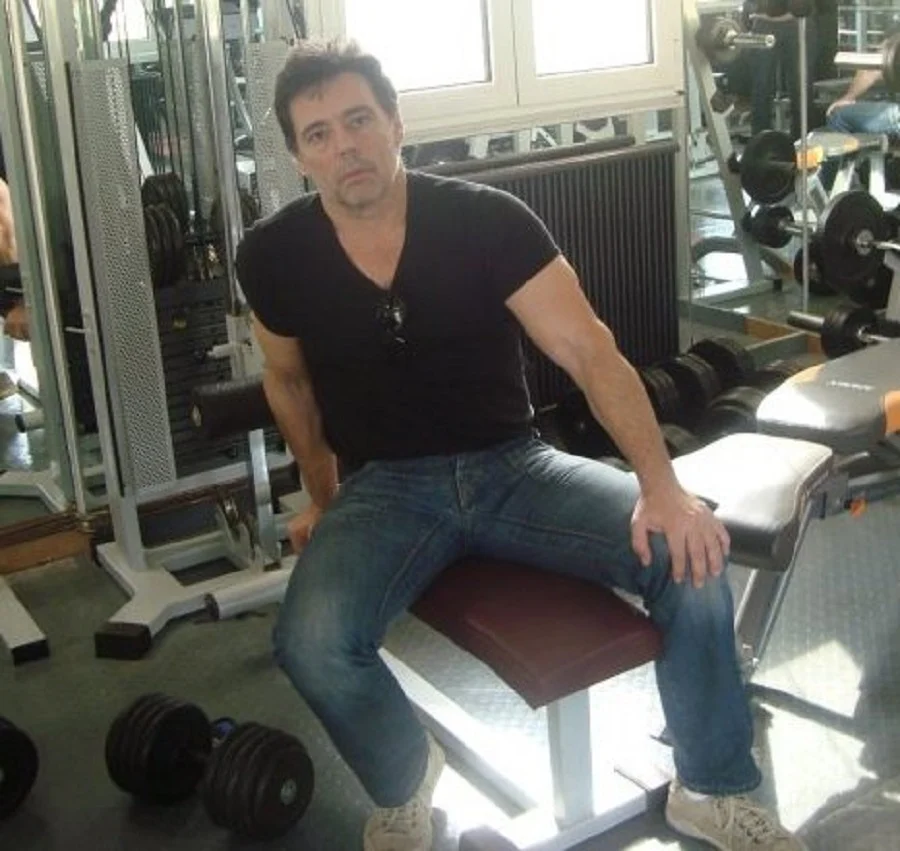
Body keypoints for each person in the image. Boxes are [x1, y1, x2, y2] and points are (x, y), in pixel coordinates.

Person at [236, 40, 807, 851]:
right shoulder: (273, 256)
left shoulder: (487, 221)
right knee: (311, 644)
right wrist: (322, 499)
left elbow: (590, 352)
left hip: (513, 467)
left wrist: (663, 489)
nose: (345, 147)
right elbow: (288, 383)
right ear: (299, 157)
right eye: (319, 134)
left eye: (359, 120)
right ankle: (406, 779)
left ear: (396, 123)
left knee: (691, 556)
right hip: (385, 487)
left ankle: (710, 786)